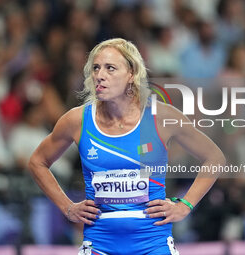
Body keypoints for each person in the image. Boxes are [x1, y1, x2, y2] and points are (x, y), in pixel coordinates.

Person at [28, 38, 226, 255]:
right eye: (96, 68)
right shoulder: (77, 120)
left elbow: (215, 158)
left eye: (110, 68)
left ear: (131, 74)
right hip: (99, 245)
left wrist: (185, 205)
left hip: (153, 244)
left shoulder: (161, 117)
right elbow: (38, 162)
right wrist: (67, 207)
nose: (99, 75)